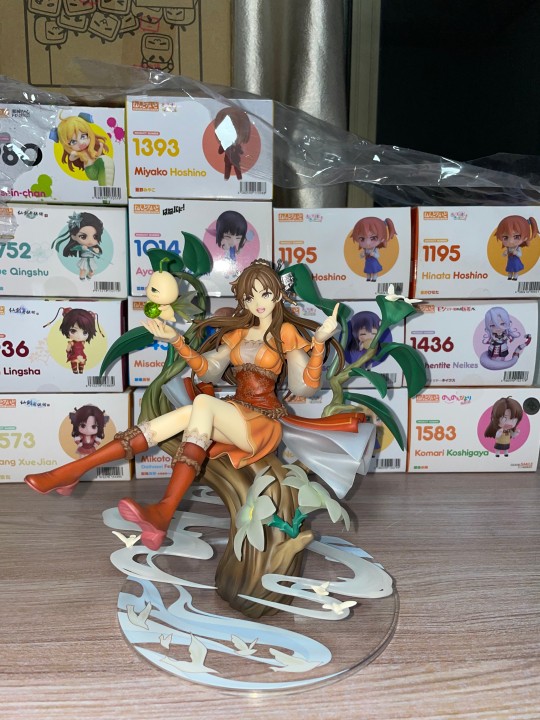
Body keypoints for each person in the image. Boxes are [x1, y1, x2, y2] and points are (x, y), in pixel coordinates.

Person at [25, 260, 366, 551]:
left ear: (278, 293)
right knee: (191, 412)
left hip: (263, 422)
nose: (257, 302)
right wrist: (176, 340)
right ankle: (76, 473)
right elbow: (209, 369)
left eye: (264, 293)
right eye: (249, 296)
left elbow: (303, 387)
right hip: (234, 414)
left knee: (200, 405)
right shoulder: (237, 334)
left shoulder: (286, 333)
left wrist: (318, 345)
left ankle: (154, 505)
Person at [51, 211, 104, 281]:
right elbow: (74, 248)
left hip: (91, 260)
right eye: (83, 236)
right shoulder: (81, 247)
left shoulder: (93, 248)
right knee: (83, 270)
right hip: (84, 260)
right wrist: (81, 248)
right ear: (73, 236)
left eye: (95, 237)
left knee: (92, 271)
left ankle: (89, 277)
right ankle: (82, 278)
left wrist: (97, 252)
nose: (90, 241)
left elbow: (98, 255)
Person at [351, 216, 397, 282]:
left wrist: (374, 254)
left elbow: (378, 256)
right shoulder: (365, 250)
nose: (367, 243)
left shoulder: (375, 249)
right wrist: (362, 254)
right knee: (368, 271)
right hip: (368, 263)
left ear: (382, 239)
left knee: (374, 271)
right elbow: (361, 256)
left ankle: (374, 278)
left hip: (374, 263)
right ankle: (368, 278)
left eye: (373, 238)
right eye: (362, 239)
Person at [495, 215, 539, 281]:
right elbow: (503, 255)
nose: (511, 241)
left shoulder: (518, 248)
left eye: (516, 237)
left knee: (516, 270)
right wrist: (505, 253)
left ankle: (515, 277)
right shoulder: (508, 248)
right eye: (505, 237)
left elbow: (520, 254)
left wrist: (516, 253)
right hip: (510, 261)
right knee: (510, 270)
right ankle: (509, 276)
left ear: (525, 238)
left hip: (516, 262)